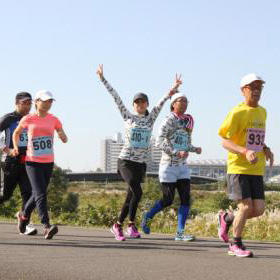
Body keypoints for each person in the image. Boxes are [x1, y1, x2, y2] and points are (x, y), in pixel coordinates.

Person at [96, 64, 181, 241]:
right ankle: (122, 225)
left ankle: (126, 226)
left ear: (147, 104)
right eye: (137, 102)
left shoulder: (151, 119)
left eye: (143, 102)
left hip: (140, 164)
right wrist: (103, 79)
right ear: (133, 105)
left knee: (131, 195)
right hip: (125, 161)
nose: (140, 105)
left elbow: (162, 102)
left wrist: (172, 91)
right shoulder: (128, 117)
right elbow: (116, 97)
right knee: (138, 191)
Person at [218, 73, 274, 257]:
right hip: (239, 168)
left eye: (260, 87)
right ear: (243, 91)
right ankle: (235, 245)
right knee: (245, 207)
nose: (257, 91)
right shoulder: (237, 112)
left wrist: (265, 148)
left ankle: (226, 219)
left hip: (256, 168)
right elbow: (224, 141)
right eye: (253, 87)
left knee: (258, 210)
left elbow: (256, 138)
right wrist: (244, 151)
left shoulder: (262, 111)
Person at [141, 93, 202, 241]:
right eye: (181, 100)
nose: (185, 103)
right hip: (168, 166)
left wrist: (194, 149)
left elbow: (185, 143)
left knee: (185, 199)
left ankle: (180, 233)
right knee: (168, 199)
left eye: (187, 101)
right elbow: (159, 141)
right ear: (173, 104)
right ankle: (148, 216)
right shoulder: (168, 120)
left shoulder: (187, 121)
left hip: (182, 167)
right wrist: (175, 152)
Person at [13, 90, 68, 239]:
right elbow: (16, 133)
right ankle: (46, 226)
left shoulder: (53, 119)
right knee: (41, 194)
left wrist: (63, 136)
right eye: (45, 101)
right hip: (32, 162)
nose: (48, 103)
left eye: (50, 101)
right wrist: (16, 147)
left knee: (38, 193)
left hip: (48, 162)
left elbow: (61, 132)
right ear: (37, 102)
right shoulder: (28, 118)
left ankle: (24, 216)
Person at [0, 92, 37, 235]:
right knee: (5, 195)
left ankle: (24, 223)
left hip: (28, 161)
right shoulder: (8, 119)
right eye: (24, 103)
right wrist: (6, 149)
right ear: (17, 103)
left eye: (29, 103)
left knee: (28, 193)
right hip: (10, 161)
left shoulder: (32, 119)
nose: (27, 106)